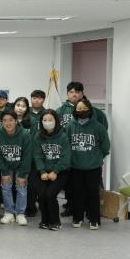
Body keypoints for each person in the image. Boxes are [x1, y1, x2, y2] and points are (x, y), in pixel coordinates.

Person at [67, 97, 110, 229]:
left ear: (90, 110)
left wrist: (97, 158)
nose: (82, 111)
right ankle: (77, 217)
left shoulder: (99, 127)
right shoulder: (70, 126)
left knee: (93, 193)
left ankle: (94, 219)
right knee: (77, 192)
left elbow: (105, 147)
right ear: (75, 110)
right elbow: (66, 145)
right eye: (79, 108)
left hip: (93, 167)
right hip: (75, 166)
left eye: (85, 108)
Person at [0, 110, 32, 226]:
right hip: (6, 165)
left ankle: (20, 213)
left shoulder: (25, 134)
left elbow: (27, 156)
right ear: (1, 122)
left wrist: (22, 174)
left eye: (11, 120)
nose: (8, 123)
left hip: (21, 165)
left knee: (21, 187)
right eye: (4, 120)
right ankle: (9, 212)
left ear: (16, 121)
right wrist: (4, 172)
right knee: (5, 186)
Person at [33, 109, 70, 231]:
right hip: (44, 172)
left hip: (60, 172)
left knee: (50, 194)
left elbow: (65, 158)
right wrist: (42, 171)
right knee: (41, 195)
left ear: (56, 121)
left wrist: (55, 171)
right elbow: (37, 156)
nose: (47, 122)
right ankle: (45, 221)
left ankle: (55, 222)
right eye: (45, 120)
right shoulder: (38, 136)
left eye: (50, 120)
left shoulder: (63, 137)